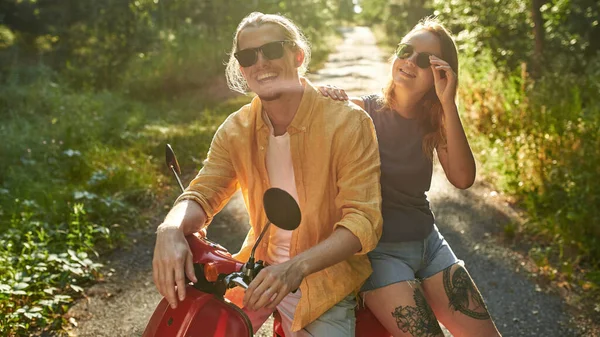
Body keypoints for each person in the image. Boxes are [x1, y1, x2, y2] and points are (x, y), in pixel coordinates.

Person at [152, 12, 383, 337]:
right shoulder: (236, 128)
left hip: (323, 279)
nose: (260, 62)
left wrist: (295, 269)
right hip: (255, 268)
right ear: (242, 69)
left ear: (297, 55)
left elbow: (363, 221)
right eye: (248, 56)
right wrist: (169, 229)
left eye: (272, 50)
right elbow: (202, 193)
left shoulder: (347, 123)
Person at [318, 17, 502, 337]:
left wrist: (448, 102)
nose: (409, 61)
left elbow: (462, 179)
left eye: (423, 60)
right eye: (405, 50)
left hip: (428, 244)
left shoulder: (434, 122)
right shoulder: (360, 111)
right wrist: (324, 97)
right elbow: (305, 116)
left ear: (439, 75)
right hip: (379, 252)